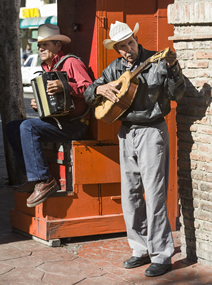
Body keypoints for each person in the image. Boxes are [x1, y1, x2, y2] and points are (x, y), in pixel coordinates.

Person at [84, 21, 186, 277]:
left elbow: (178, 94)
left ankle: (161, 254)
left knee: (154, 194)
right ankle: (139, 249)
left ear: (135, 39)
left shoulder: (156, 60)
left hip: (152, 130)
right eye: (122, 46)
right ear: (116, 49)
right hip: (125, 132)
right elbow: (88, 93)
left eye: (130, 42)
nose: (128, 49)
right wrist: (99, 88)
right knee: (130, 194)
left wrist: (173, 68)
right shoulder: (114, 68)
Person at [6, 24, 92, 208]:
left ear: (58, 46)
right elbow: (53, 104)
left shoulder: (71, 63)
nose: (41, 48)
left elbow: (90, 89)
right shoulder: (46, 69)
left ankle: (45, 180)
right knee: (12, 127)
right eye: (39, 45)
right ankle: (33, 177)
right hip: (57, 122)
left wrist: (66, 86)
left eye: (45, 44)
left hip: (75, 124)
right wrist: (39, 106)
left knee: (27, 127)